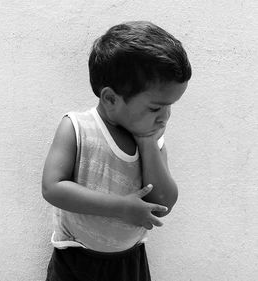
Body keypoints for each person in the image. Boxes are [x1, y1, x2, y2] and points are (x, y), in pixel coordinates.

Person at [42, 21, 192, 281]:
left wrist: (147, 144)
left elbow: (164, 203)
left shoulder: (150, 138)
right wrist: (120, 207)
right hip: (76, 258)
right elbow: (53, 188)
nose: (165, 117)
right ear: (111, 99)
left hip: (129, 259)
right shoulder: (77, 128)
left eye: (170, 107)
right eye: (156, 108)